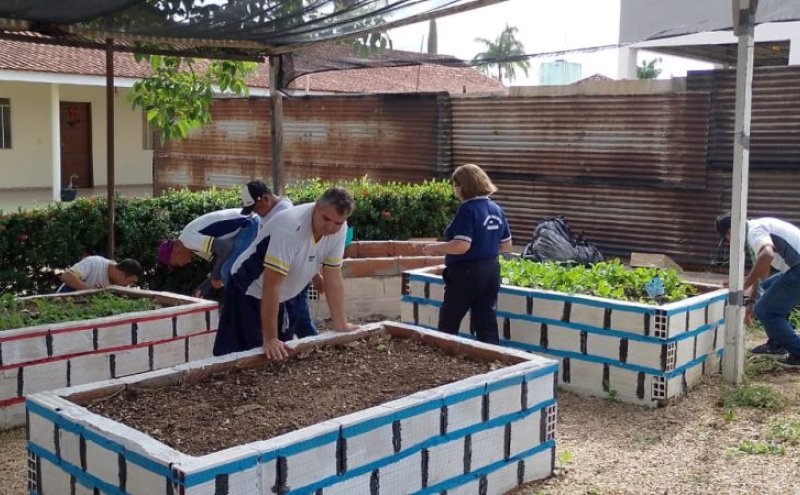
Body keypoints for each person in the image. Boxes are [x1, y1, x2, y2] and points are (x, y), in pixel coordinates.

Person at [213, 187, 358, 361]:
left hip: (288, 295)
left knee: (280, 355)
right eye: (326, 219)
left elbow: (333, 275)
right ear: (317, 206)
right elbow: (271, 284)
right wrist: (270, 339)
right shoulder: (289, 226)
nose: (330, 227)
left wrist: (340, 324)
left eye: (338, 223)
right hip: (249, 289)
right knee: (238, 356)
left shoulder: (340, 229)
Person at [422, 164, 512, 344]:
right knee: (486, 320)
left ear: (463, 186)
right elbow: (506, 245)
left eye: (455, 185)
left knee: (449, 321)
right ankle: (492, 360)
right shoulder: (496, 209)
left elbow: (461, 245)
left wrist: (435, 248)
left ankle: (443, 361)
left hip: (466, 274)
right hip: (491, 271)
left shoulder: (467, 209)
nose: (455, 190)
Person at [157, 180, 285, 294]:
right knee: (227, 270)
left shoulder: (188, 239)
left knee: (228, 270)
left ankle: (240, 308)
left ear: (175, 253)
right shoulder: (192, 246)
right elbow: (221, 259)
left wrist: (215, 277)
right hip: (243, 228)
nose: (181, 265)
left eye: (177, 264)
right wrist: (204, 287)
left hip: (249, 224)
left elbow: (225, 248)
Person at [715, 212, 800, 368]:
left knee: (766, 312)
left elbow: (766, 256)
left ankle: (797, 352)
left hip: (797, 270)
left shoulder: (755, 232)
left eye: (727, 238)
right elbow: (761, 275)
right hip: (793, 269)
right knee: (768, 286)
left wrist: (742, 286)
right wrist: (751, 302)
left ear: (731, 231)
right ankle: (778, 343)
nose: (729, 242)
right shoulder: (757, 227)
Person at [57, 256, 142, 292]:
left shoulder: (118, 285)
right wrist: (89, 289)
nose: (130, 285)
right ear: (122, 275)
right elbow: (66, 276)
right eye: (130, 281)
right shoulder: (94, 263)